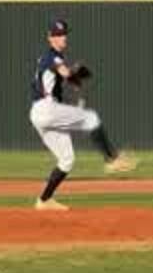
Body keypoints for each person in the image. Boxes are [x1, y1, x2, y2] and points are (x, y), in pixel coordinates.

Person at [29, 18, 135, 211]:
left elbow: (62, 77)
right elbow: (64, 72)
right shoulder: (51, 56)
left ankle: (44, 200)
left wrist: (73, 79)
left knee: (67, 160)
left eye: (63, 34)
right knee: (91, 118)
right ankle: (112, 159)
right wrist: (75, 76)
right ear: (50, 38)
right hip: (46, 109)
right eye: (58, 35)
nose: (62, 38)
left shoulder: (48, 58)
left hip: (40, 113)